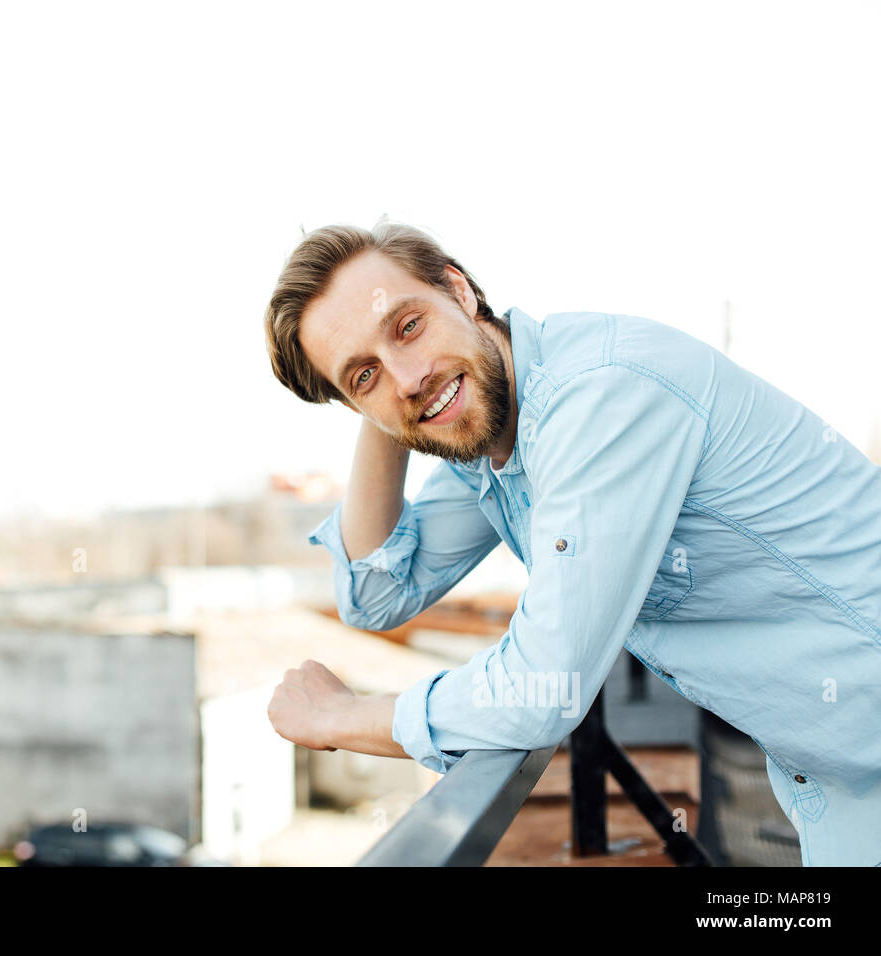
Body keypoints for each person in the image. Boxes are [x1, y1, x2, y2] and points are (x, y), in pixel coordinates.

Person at [261, 219, 881, 866]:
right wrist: (393, 391)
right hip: (840, 780)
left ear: (458, 289)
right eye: (362, 376)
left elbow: (542, 687)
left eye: (409, 323)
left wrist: (341, 718)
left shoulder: (600, 396)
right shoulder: (491, 437)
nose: (407, 375)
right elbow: (376, 595)